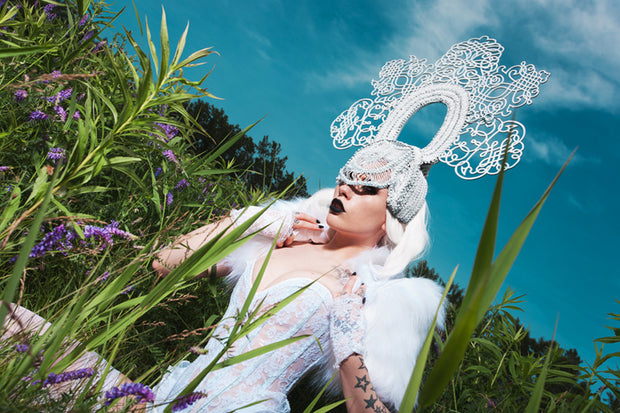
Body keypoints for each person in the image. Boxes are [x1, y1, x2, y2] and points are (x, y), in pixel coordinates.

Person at [149, 138, 447, 412]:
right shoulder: (285, 238)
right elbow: (165, 263)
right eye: (347, 179)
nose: (345, 189)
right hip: (173, 396)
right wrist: (249, 221)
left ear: (390, 218)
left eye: (367, 189)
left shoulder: (374, 295)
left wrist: (348, 347)